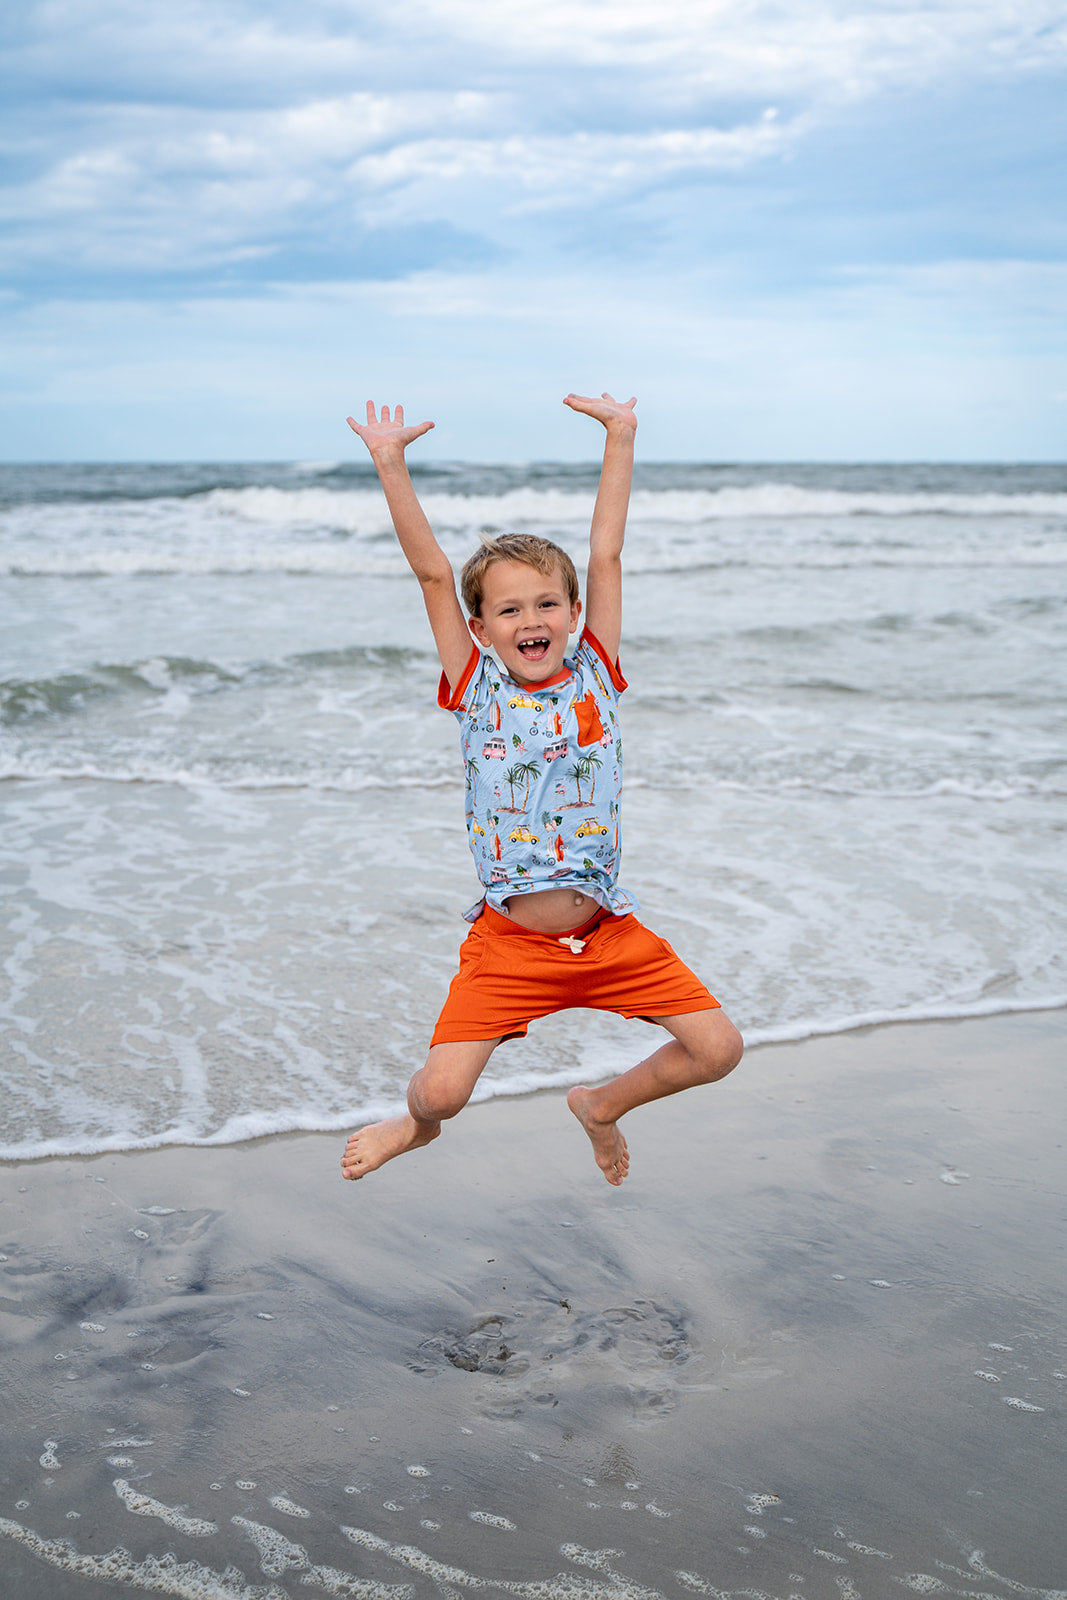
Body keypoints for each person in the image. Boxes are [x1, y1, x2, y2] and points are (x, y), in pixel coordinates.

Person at [341, 392, 742, 1186]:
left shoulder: (596, 668)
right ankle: (412, 1128)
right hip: (508, 946)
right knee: (443, 1093)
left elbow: (607, 553)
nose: (532, 618)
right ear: (484, 627)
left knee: (718, 1049)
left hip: (606, 934)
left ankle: (600, 1106)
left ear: (573, 614)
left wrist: (621, 436)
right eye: (509, 609)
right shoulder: (473, 686)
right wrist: (389, 461)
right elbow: (430, 573)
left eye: (547, 604)